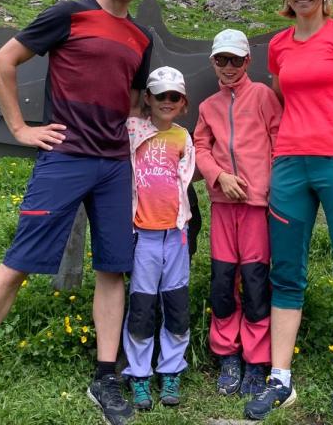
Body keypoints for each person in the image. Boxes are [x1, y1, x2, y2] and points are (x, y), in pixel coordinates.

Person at [0, 0, 153, 425]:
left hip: (115, 166)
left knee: (113, 269)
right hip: (64, 157)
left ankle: (105, 377)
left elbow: (134, 101)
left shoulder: (142, 38)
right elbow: (2, 61)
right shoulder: (68, 15)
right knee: (17, 264)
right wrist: (19, 128)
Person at [244, 0, 333, 420]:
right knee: (286, 268)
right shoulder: (278, 45)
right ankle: (280, 379)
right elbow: (283, 97)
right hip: (290, 166)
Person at [193, 29, 282, 398]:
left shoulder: (263, 96)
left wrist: (273, 188)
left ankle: (257, 358)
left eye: (235, 60)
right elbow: (200, 146)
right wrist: (219, 177)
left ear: (248, 61)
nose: (228, 67)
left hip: (257, 207)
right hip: (223, 206)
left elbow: (281, 142)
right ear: (213, 61)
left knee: (256, 280)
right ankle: (227, 353)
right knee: (222, 279)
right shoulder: (208, 106)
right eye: (221, 60)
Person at [121, 66, 195, 411]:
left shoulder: (183, 137)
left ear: (182, 103)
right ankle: (138, 374)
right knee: (141, 305)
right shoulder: (134, 128)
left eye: (174, 97)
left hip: (175, 234)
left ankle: (171, 370)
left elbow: (185, 180)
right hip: (144, 236)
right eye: (160, 95)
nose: (167, 101)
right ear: (148, 99)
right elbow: (129, 108)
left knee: (176, 303)